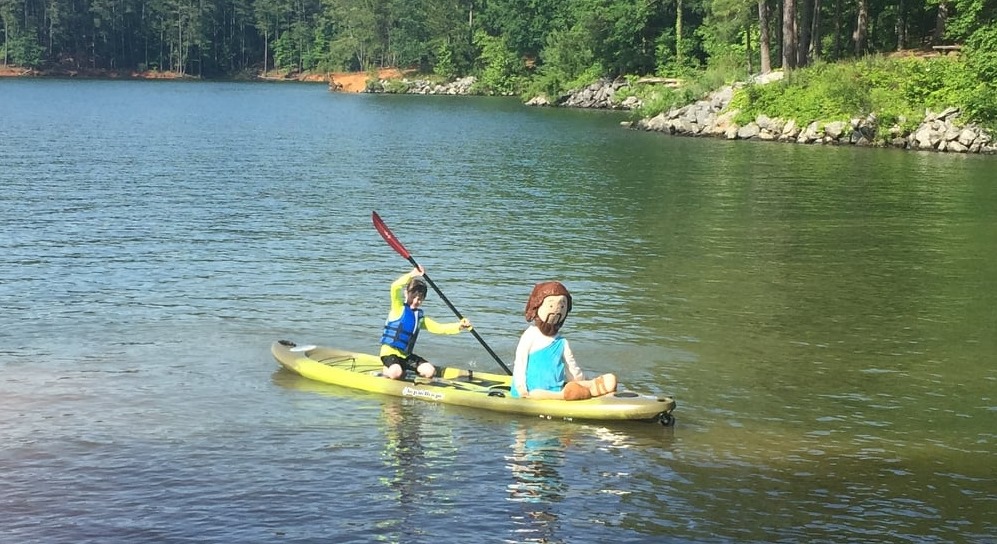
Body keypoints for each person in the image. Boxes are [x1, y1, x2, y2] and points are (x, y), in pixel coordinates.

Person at [511, 281, 617, 400]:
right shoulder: (530, 335)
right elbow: (520, 362)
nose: (557, 311)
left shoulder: (562, 342)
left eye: (562, 307)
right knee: (537, 393)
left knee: (600, 381)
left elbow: (572, 368)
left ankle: (590, 387)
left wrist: (580, 382)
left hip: (555, 388)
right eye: (551, 306)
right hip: (530, 391)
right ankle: (565, 395)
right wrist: (521, 387)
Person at [380, 266, 472, 379]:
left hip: (405, 356)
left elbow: (440, 328)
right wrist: (412, 274)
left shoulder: (419, 318)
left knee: (430, 372)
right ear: (406, 293)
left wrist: (460, 326)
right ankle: (388, 370)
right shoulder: (398, 308)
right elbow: (394, 287)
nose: (415, 301)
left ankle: (404, 371)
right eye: (413, 296)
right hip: (389, 353)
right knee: (396, 373)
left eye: (419, 299)